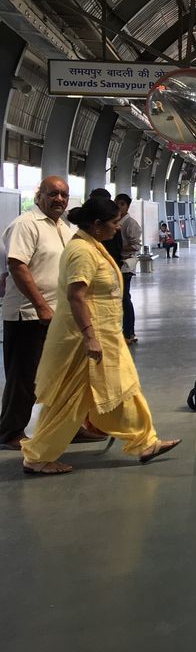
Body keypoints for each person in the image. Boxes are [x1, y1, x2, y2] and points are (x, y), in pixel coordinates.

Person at [19, 196, 180, 474]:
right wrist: (90, 336)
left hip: (105, 336)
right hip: (83, 341)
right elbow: (76, 296)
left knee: (123, 387)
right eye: (114, 223)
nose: (117, 228)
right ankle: (36, 456)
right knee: (69, 399)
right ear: (96, 225)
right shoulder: (82, 251)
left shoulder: (93, 245)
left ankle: (145, 441)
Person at [0, 176, 80, 450]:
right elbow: (17, 265)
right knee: (26, 376)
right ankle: (10, 431)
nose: (59, 199)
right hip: (29, 316)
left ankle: (68, 426)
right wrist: (41, 306)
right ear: (39, 196)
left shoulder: (63, 227)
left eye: (64, 195)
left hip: (58, 314)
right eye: (53, 194)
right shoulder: (26, 224)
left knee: (62, 374)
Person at [117, 194, 142, 341]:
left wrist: (117, 247)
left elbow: (135, 245)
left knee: (125, 298)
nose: (119, 207)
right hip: (116, 263)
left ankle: (129, 332)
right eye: (117, 204)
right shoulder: (115, 222)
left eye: (122, 204)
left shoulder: (130, 223)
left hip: (126, 265)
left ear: (127, 206)